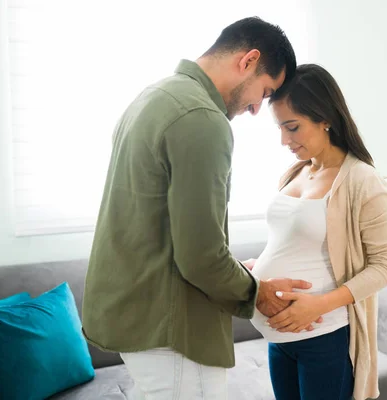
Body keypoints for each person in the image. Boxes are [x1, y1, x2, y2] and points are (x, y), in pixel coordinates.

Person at [82, 17, 315, 400]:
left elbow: (159, 228)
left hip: (139, 318)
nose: (257, 108)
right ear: (248, 60)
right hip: (172, 329)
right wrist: (258, 291)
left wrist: (237, 270)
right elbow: (201, 257)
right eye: (265, 90)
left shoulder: (154, 96)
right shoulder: (202, 119)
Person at [244, 64, 387, 400]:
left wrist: (318, 305)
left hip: (323, 336)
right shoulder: (296, 171)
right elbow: (296, 242)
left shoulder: (361, 180)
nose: (284, 140)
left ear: (324, 118)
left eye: (292, 127)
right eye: (280, 128)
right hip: (279, 340)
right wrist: (260, 267)